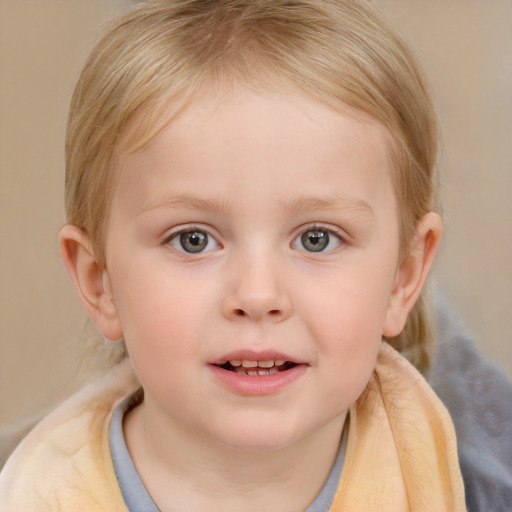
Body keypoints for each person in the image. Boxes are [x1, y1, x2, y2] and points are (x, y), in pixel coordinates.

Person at [0, 0, 466, 510]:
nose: (258, 294)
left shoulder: (457, 479)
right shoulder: (39, 494)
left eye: (317, 238)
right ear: (99, 282)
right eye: (193, 239)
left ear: (404, 275)